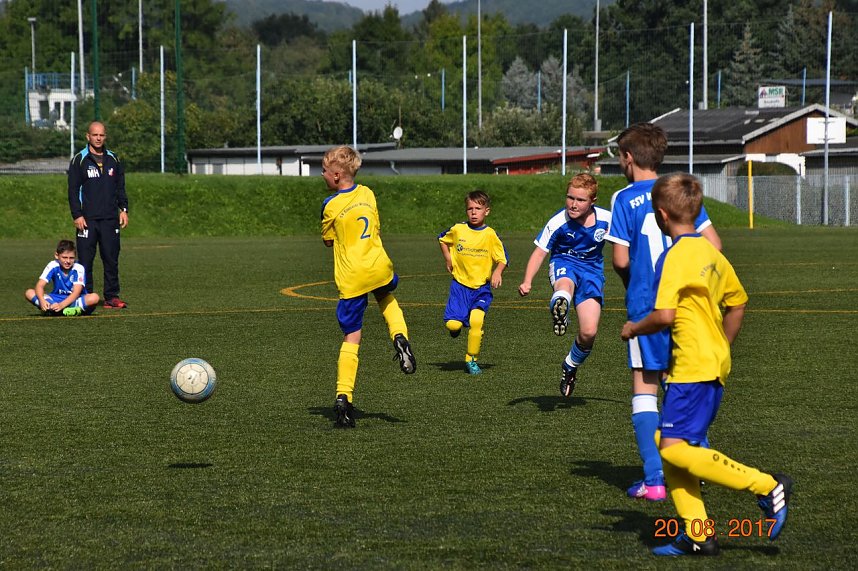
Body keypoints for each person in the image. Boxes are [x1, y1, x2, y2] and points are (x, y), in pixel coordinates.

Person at [621, 173, 791, 556]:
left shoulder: (674, 257)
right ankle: (697, 534)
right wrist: (720, 347)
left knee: (672, 449)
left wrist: (634, 328)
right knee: (671, 445)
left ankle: (767, 485)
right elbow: (738, 302)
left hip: (693, 367)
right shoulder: (712, 253)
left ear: (662, 215)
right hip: (710, 363)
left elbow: (664, 316)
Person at [605, 123, 722, 502]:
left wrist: (634, 282)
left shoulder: (623, 198)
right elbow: (714, 245)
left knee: (645, 389)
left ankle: (656, 478)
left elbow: (620, 258)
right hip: (684, 309)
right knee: (681, 387)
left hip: (647, 307)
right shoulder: (678, 191)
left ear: (628, 158)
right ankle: (697, 464)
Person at [320, 145, 416, 428]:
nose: (322, 175)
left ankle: (344, 399)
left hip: (352, 276)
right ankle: (400, 336)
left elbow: (328, 241)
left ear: (336, 175)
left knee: (352, 336)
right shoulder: (368, 194)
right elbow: (376, 227)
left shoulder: (330, 205)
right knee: (385, 295)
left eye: (324, 171)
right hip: (378, 265)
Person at [519, 173, 611, 396]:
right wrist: (527, 281)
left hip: (592, 272)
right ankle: (562, 305)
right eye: (570, 197)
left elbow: (628, 240)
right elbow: (540, 252)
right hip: (564, 263)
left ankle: (570, 366)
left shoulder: (607, 219)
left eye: (580, 200)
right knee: (564, 286)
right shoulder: (558, 222)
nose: (573, 204)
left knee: (589, 332)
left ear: (593, 201)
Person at [438, 190, 508, 375]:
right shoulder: (458, 229)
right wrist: (448, 258)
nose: (474, 212)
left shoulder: (490, 235)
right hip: (460, 286)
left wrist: (497, 272)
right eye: (470, 209)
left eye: (478, 208)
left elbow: (503, 258)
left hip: (481, 288)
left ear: (487, 211)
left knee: (477, 321)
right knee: (453, 325)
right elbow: (442, 239)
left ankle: (471, 359)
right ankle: (457, 326)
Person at [68, 121, 129, 309]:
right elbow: (73, 190)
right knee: (85, 261)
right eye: (95, 135)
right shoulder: (79, 159)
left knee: (111, 259)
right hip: (87, 220)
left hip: (110, 219)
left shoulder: (114, 159)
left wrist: (123, 209)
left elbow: (120, 187)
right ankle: (86, 297)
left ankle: (112, 297)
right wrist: (77, 215)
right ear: (88, 136)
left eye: (101, 135)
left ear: (105, 136)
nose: (98, 138)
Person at [25, 239, 100, 316]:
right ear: (56, 255)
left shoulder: (78, 268)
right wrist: (42, 301)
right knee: (29, 293)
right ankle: (67, 310)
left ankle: (53, 310)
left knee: (94, 297)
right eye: (64, 257)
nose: (68, 261)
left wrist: (61, 305)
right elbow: (39, 285)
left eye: (71, 258)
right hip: (56, 298)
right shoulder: (53, 265)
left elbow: (76, 293)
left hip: (74, 299)